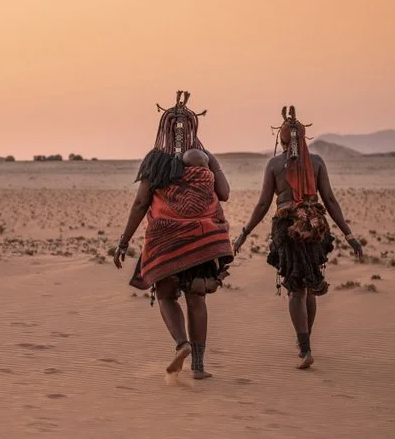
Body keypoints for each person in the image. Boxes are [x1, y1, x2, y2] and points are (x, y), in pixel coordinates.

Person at [113, 91, 233, 380]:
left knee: (166, 295)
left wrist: (124, 241)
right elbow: (225, 194)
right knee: (196, 298)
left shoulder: (155, 161)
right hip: (199, 240)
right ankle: (200, 366)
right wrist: (213, 162)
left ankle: (181, 344)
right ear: (194, 127)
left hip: (164, 241)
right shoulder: (204, 161)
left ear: (163, 128)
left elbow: (141, 203)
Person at [232, 106, 363, 370]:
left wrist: (243, 234)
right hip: (314, 227)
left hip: (288, 228)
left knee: (296, 288)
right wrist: (349, 234)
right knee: (309, 284)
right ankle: (305, 342)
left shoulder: (274, 165)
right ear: (303, 138)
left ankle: (304, 348)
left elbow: (262, 206)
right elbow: (330, 200)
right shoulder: (317, 163)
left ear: (281, 139)